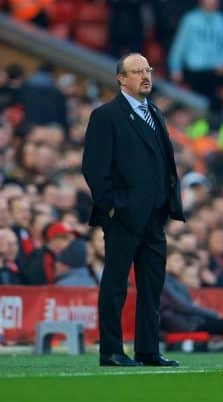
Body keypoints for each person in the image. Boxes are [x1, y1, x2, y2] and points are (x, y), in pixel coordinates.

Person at [82, 53, 185, 367]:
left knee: (152, 287)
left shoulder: (154, 112)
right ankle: (111, 350)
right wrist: (112, 208)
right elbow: (94, 169)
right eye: (137, 71)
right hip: (123, 216)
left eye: (148, 70)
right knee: (115, 284)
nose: (145, 76)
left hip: (154, 215)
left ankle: (147, 350)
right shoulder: (106, 115)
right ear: (121, 79)